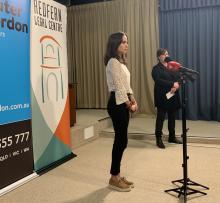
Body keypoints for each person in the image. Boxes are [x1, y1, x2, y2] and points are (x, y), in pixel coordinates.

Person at [104, 32, 138, 192]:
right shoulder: (112, 62)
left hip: (123, 102)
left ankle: (116, 175)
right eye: (123, 42)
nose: (126, 44)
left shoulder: (120, 63)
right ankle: (114, 177)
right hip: (116, 103)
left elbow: (126, 86)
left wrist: (133, 99)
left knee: (122, 140)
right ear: (115, 44)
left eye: (127, 42)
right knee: (120, 141)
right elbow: (118, 86)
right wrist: (128, 104)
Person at [151, 48, 182, 149]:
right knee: (161, 118)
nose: (167, 56)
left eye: (167, 54)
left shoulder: (172, 66)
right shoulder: (156, 69)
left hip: (172, 95)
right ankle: (158, 138)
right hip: (162, 96)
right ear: (159, 57)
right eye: (164, 54)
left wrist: (176, 86)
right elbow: (158, 80)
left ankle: (172, 137)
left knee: (172, 117)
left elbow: (178, 77)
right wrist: (172, 84)